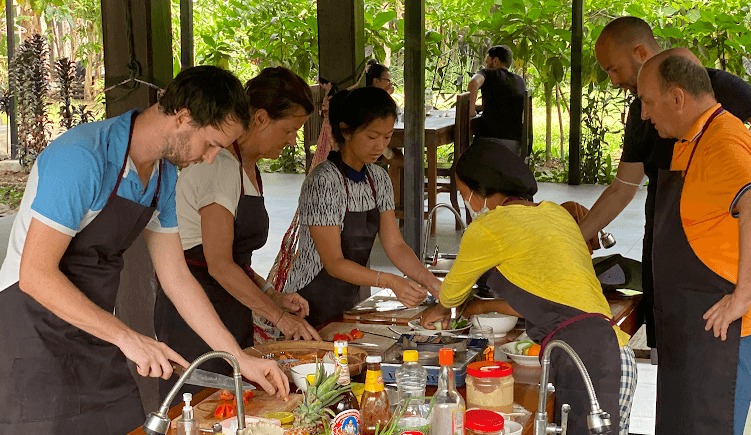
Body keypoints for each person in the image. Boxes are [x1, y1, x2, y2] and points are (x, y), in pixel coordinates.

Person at [0, 66, 289, 435]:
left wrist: (237, 359)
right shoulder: (82, 158)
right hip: (29, 334)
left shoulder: (163, 176)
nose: (213, 158)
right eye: (212, 143)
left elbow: (177, 278)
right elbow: (36, 274)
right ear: (183, 117)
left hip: (94, 333)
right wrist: (129, 339)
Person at [581, 16, 751, 358]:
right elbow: (623, 186)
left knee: (713, 380)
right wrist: (575, 238)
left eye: (614, 69)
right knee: (674, 368)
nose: (613, 80)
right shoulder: (641, 111)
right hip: (666, 256)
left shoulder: (715, 93)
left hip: (715, 272)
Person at [420, 140, 636, 435]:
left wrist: (439, 309)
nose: (464, 200)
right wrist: (479, 307)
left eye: (462, 192)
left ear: (478, 190)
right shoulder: (555, 214)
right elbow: (551, 294)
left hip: (586, 361)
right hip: (617, 354)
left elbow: (451, 294)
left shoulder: (489, 227)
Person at [153, 67, 321, 402]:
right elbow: (217, 264)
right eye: (289, 130)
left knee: (234, 406)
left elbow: (234, 260)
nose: (293, 140)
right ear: (260, 118)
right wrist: (279, 318)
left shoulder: (247, 167)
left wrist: (271, 293)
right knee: (203, 408)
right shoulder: (221, 165)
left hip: (229, 304)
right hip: (197, 308)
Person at [638, 51, 751, 435]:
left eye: (648, 101)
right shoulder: (693, 139)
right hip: (693, 332)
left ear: (677, 98)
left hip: (723, 338)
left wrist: (742, 296)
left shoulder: (724, 142)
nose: (644, 114)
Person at [284, 87, 441, 327]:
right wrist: (390, 281)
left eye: (387, 137)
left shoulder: (378, 178)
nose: (380, 146)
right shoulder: (323, 181)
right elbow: (334, 262)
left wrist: (430, 282)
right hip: (307, 300)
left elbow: (395, 244)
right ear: (346, 131)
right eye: (371, 136)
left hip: (348, 296)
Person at [467, 45, 527, 159]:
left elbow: (473, 83)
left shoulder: (488, 73)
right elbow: (505, 102)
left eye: (487, 62)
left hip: (491, 143)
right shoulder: (520, 81)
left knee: (466, 157)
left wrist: (471, 111)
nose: (486, 65)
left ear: (495, 60)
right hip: (515, 147)